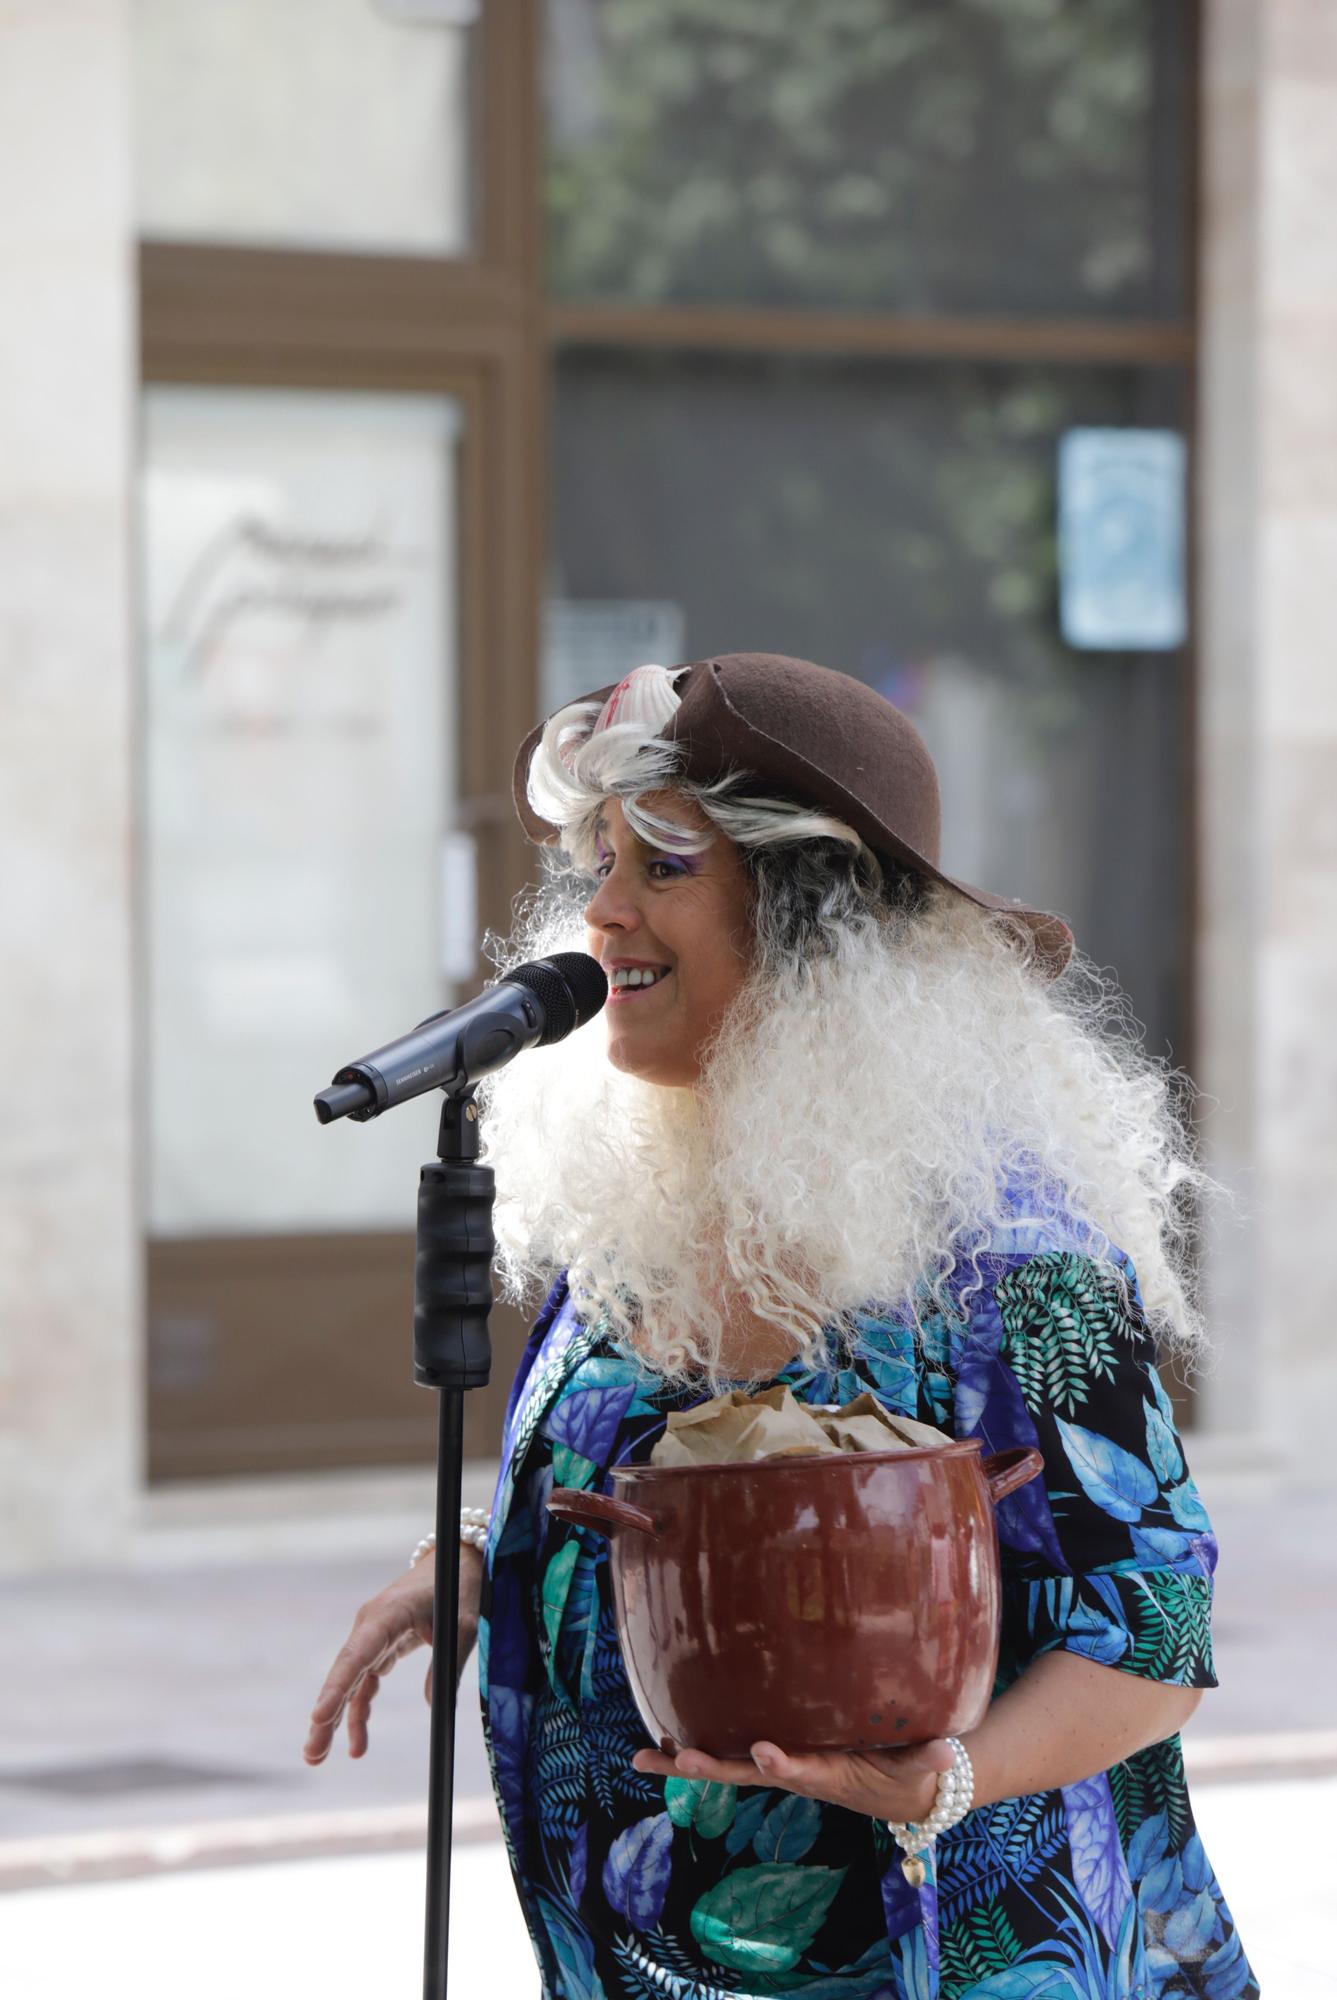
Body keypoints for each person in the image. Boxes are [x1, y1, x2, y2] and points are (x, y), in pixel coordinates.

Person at [305, 653, 1256, 1999]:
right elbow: (640, 1481)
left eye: (664, 870)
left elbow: (1148, 1635)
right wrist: (473, 1556)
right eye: (599, 863)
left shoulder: (1006, 1258)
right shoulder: (641, 1208)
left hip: (945, 1959)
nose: (602, 916)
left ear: (819, 924)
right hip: (641, 1954)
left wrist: (944, 1779)